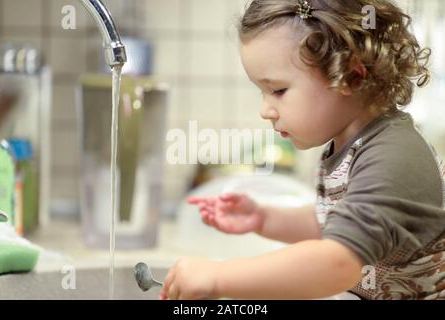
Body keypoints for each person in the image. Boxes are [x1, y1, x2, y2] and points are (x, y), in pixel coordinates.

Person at [159, 0, 445, 300]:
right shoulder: (350, 146)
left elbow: (337, 263)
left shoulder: (394, 157)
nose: (266, 110)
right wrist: (264, 218)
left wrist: (219, 277)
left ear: (351, 75)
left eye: (278, 90)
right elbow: (334, 224)